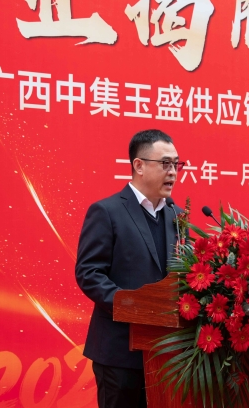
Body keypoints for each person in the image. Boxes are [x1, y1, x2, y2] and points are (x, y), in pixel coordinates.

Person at [75, 129, 184, 408]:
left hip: (166, 353)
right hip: (119, 352)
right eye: (165, 164)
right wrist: (132, 306)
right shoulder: (107, 211)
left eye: (176, 164)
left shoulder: (176, 215)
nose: (173, 172)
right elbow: (89, 273)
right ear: (139, 165)